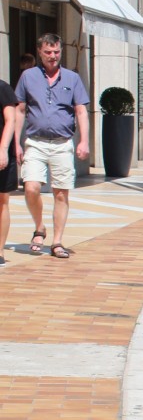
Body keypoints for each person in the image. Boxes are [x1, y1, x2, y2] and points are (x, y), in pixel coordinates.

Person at [14, 33, 90, 260]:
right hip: (35, 142)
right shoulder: (28, 76)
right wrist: (16, 144)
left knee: (61, 193)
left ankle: (57, 242)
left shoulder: (72, 78)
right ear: (39, 52)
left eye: (56, 52)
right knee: (31, 188)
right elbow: (19, 110)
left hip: (62, 143)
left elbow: (81, 111)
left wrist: (84, 141)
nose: (53, 56)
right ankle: (40, 227)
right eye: (48, 52)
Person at [0, 73, 17, 267]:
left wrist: (3, 149)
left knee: (2, 201)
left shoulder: (3, 88)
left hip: (2, 154)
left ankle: (0, 250)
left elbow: (10, 121)